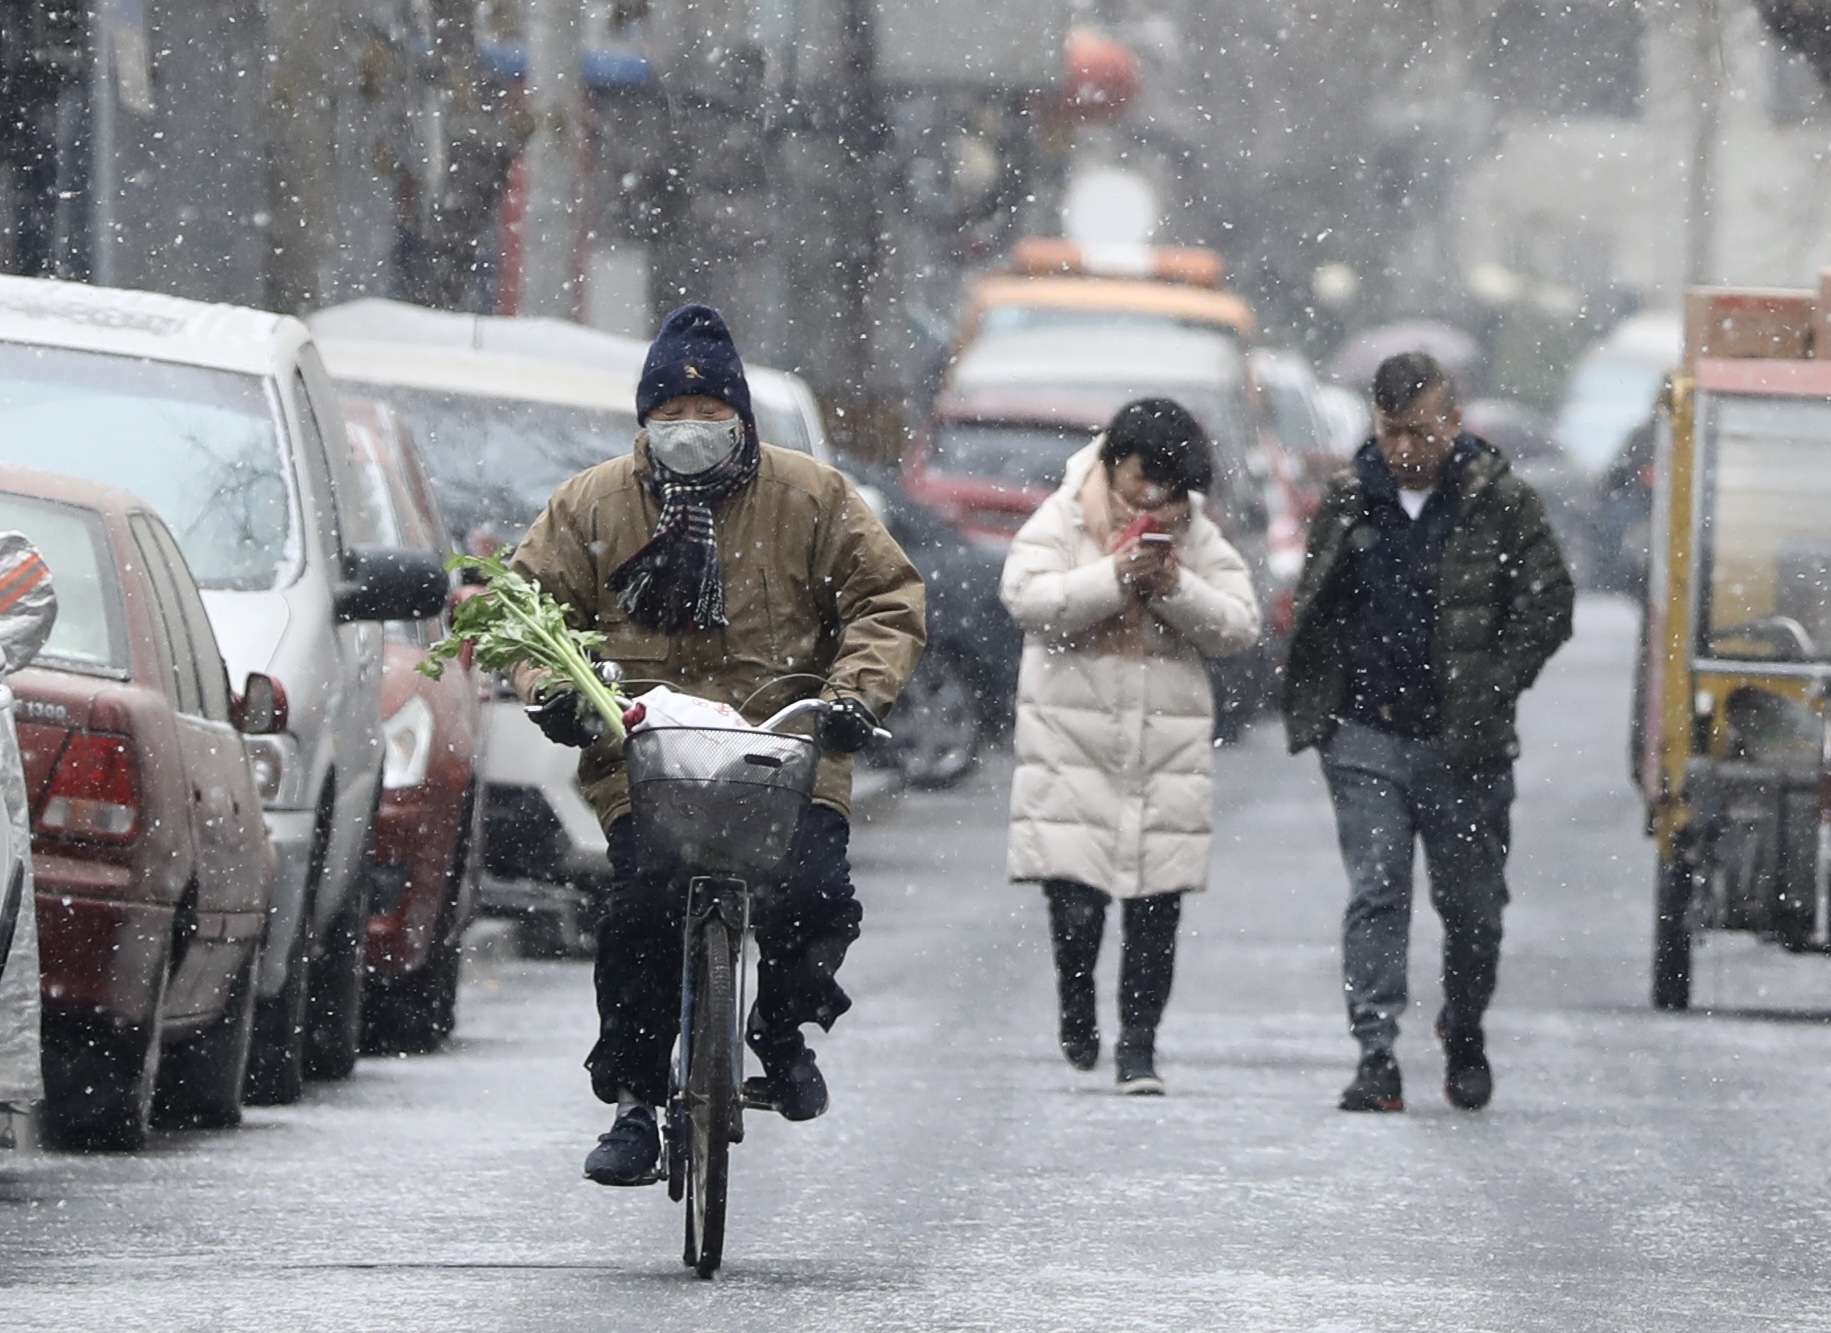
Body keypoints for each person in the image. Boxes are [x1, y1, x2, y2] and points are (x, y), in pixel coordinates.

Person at [508, 304, 925, 1184]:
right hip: (649, 764)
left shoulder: (812, 497)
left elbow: (886, 599)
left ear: (740, 418)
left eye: (707, 415)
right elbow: (526, 612)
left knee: (812, 894)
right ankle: (633, 1100)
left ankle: (782, 1028)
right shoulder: (591, 505)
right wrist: (549, 690)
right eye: (670, 415)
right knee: (638, 916)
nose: (688, 430)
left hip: (784, 755)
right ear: (643, 421)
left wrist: (852, 697)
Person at [1281, 351, 1573, 1114]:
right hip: (1364, 734)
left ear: (1452, 421)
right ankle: (1373, 1053)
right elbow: (1316, 600)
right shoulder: (1350, 499)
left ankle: (1465, 1024)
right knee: (1376, 887)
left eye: (1418, 431)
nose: (1403, 450)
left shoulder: (1498, 502)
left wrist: (1495, 681)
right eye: (1389, 431)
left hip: (1462, 744)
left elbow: (1548, 602)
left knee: (1472, 909)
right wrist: (1320, 696)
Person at [1000, 399, 1261, 1094]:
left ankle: (1139, 1047)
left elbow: (1238, 624)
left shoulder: (1195, 535)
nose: (1155, 497)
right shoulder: (1064, 515)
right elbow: (1026, 600)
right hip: (1071, 740)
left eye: (1171, 487)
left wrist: (1175, 588)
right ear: (1115, 461)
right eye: (1146, 477)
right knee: (1075, 901)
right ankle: (1076, 1005)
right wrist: (1112, 577)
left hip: (1162, 749)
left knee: (1157, 907)